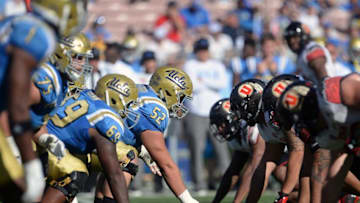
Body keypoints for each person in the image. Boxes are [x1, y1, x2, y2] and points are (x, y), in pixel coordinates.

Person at [0, 0, 87, 202]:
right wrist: (29, 163)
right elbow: (17, 104)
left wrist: (45, 137)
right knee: (21, 191)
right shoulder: (39, 34)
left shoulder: (17, 21)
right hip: (8, 129)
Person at [95, 67, 199, 203]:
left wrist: (142, 150)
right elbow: (166, 165)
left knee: (120, 156)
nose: (181, 104)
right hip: (93, 138)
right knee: (127, 158)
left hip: (92, 132)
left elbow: (125, 127)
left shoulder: (140, 90)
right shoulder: (155, 110)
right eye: (180, 98)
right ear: (167, 91)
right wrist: (188, 199)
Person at [35, 74, 140, 203]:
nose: (129, 110)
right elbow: (114, 174)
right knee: (75, 173)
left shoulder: (85, 96)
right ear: (112, 100)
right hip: (40, 143)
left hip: (44, 138)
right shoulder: (106, 120)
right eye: (128, 104)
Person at [276, 75, 360, 202]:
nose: (303, 126)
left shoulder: (336, 93)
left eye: (302, 120)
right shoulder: (324, 130)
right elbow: (325, 171)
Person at [230, 75, 306, 203]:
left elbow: (298, 150)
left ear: (253, 103)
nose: (241, 116)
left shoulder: (276, 113)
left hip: (323, 140)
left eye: (242, 109)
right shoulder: (264, 122)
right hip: (310, 148)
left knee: (311, 177)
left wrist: (284, 194)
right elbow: (268, 162)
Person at [183, 38, 231, 193]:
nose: (202, 53)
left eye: (205, 50)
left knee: (221, 150)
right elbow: (191, 86)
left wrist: (203, 81)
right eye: (200, 50)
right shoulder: (189, 65)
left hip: (216, 113)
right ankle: (199, 184)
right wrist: (209, 83)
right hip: (195, 112)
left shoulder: (217, 65)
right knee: (196, 150)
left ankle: (227, 183)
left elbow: (222, 83)